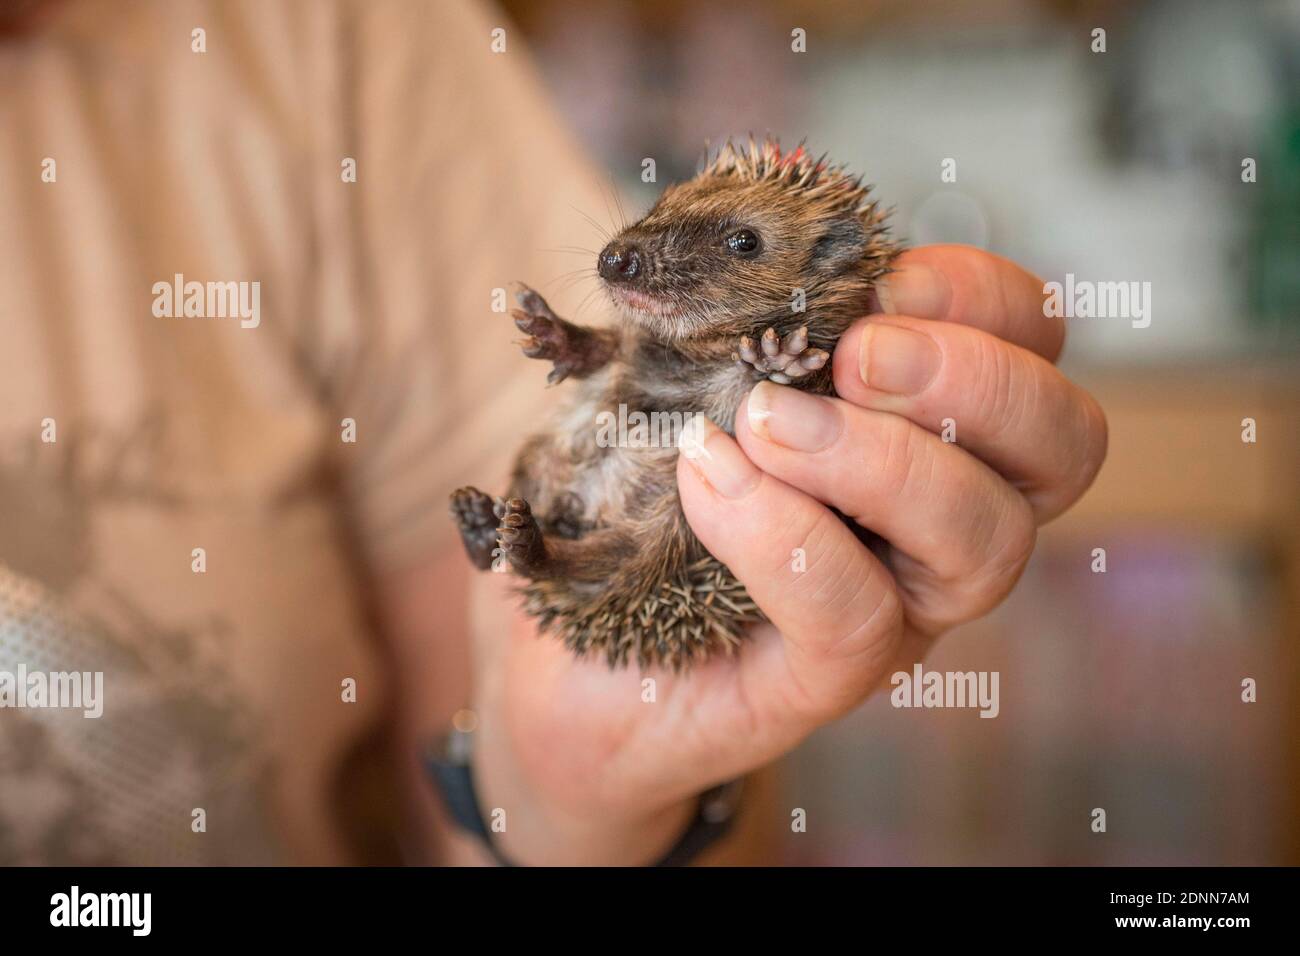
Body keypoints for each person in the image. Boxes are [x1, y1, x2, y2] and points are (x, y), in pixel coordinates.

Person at [0, 0, 1106, 865]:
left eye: (718, 247)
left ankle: (532, 545)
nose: (631, 256)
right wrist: (588, 348)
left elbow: (630, 406)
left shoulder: (328, 40)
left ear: (814, 281)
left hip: (618, 538)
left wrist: (565, 809)